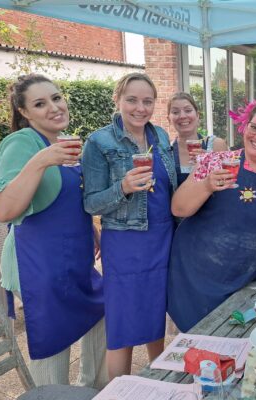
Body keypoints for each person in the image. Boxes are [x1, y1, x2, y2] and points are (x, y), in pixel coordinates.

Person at [0, 74, 106, 387]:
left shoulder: (63, 140)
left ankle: (90, 389)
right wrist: (39, 161)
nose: (54, 107)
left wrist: (90, 228)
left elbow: (66, 195)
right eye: (40, 103)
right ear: (24, 112)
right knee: (53, 341)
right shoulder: (21, 143)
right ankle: (51, 394)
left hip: (72, 259)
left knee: (101, 312)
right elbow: (4, 211)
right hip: (38, 265)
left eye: (56, 98)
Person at [168, 92, 256, 332]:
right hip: (195, 273)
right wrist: (206, 185)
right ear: (245, 127)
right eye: (254, 128)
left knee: (240, 339)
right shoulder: (215, 162)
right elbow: (178, 207)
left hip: (246, 277)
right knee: (197, 343)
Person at [82, 72, 177, 379]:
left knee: (154, 315)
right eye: (132, 100)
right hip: (126, 244)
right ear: (118, 99)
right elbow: (91, 203)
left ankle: (160, 382)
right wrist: (122, 187)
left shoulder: (160, 135)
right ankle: (119, 391)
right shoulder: (99, 142)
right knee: (121, 326)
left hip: (162, 238)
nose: (140, 108)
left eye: (147, 101)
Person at [167, 92, 227, 186]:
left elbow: (228, 184)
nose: (182, 116)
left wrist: (210, 163)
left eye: (188, 110)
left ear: (197, 115)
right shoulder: (167, 152)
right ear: (169, 119)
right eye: (175, 112)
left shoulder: (216, 145)